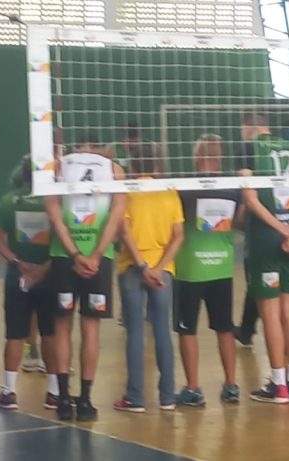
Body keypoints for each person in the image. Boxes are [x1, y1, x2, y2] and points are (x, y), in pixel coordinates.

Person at [45, 134, 127, 421]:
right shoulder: (114, 169)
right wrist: (96, 254)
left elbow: (54, 215)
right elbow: (117, 216)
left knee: (62, 328)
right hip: (98, 262)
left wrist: (74, 254)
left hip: (63, 257)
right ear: (99, 147)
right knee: (91, 329)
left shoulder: (58, 166)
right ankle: (86, 401)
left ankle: (63, 399)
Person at [237, 114, 289, 404]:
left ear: (249, 127)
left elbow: (250, 199)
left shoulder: (248, 148)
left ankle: (279, 385)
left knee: (270, 312)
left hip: (265, 240)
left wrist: (281, 230)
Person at [113, 143, 183, 413]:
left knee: (135, 332)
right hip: (163, 272)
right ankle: (167, 397)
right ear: (156, 166)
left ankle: (135, 397)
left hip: (133, 268)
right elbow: (178, 236)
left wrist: (143, 267)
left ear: (132, 166)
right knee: (162, 330)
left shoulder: (128, 192)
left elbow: (125, 231)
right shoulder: (169, 192)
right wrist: (159, 267)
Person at [173, 134, 242, 406]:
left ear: (197, 156)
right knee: (225, 328)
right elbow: (240, 220)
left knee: (187, 329)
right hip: (222, 268)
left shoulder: (184, 187)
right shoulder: (232, 187)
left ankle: (193, 389)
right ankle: (231, 385)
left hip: (190, 270)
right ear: (219, 156)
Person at [0, 156, 58, 410]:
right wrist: (45, 268)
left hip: (17, 277)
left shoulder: (8, 201)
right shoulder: (54, 201)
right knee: (50, 333)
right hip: (49, 277)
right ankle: (54, 392)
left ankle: (9, 392)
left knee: (15, 334)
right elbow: (63, 238)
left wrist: (17, 261)